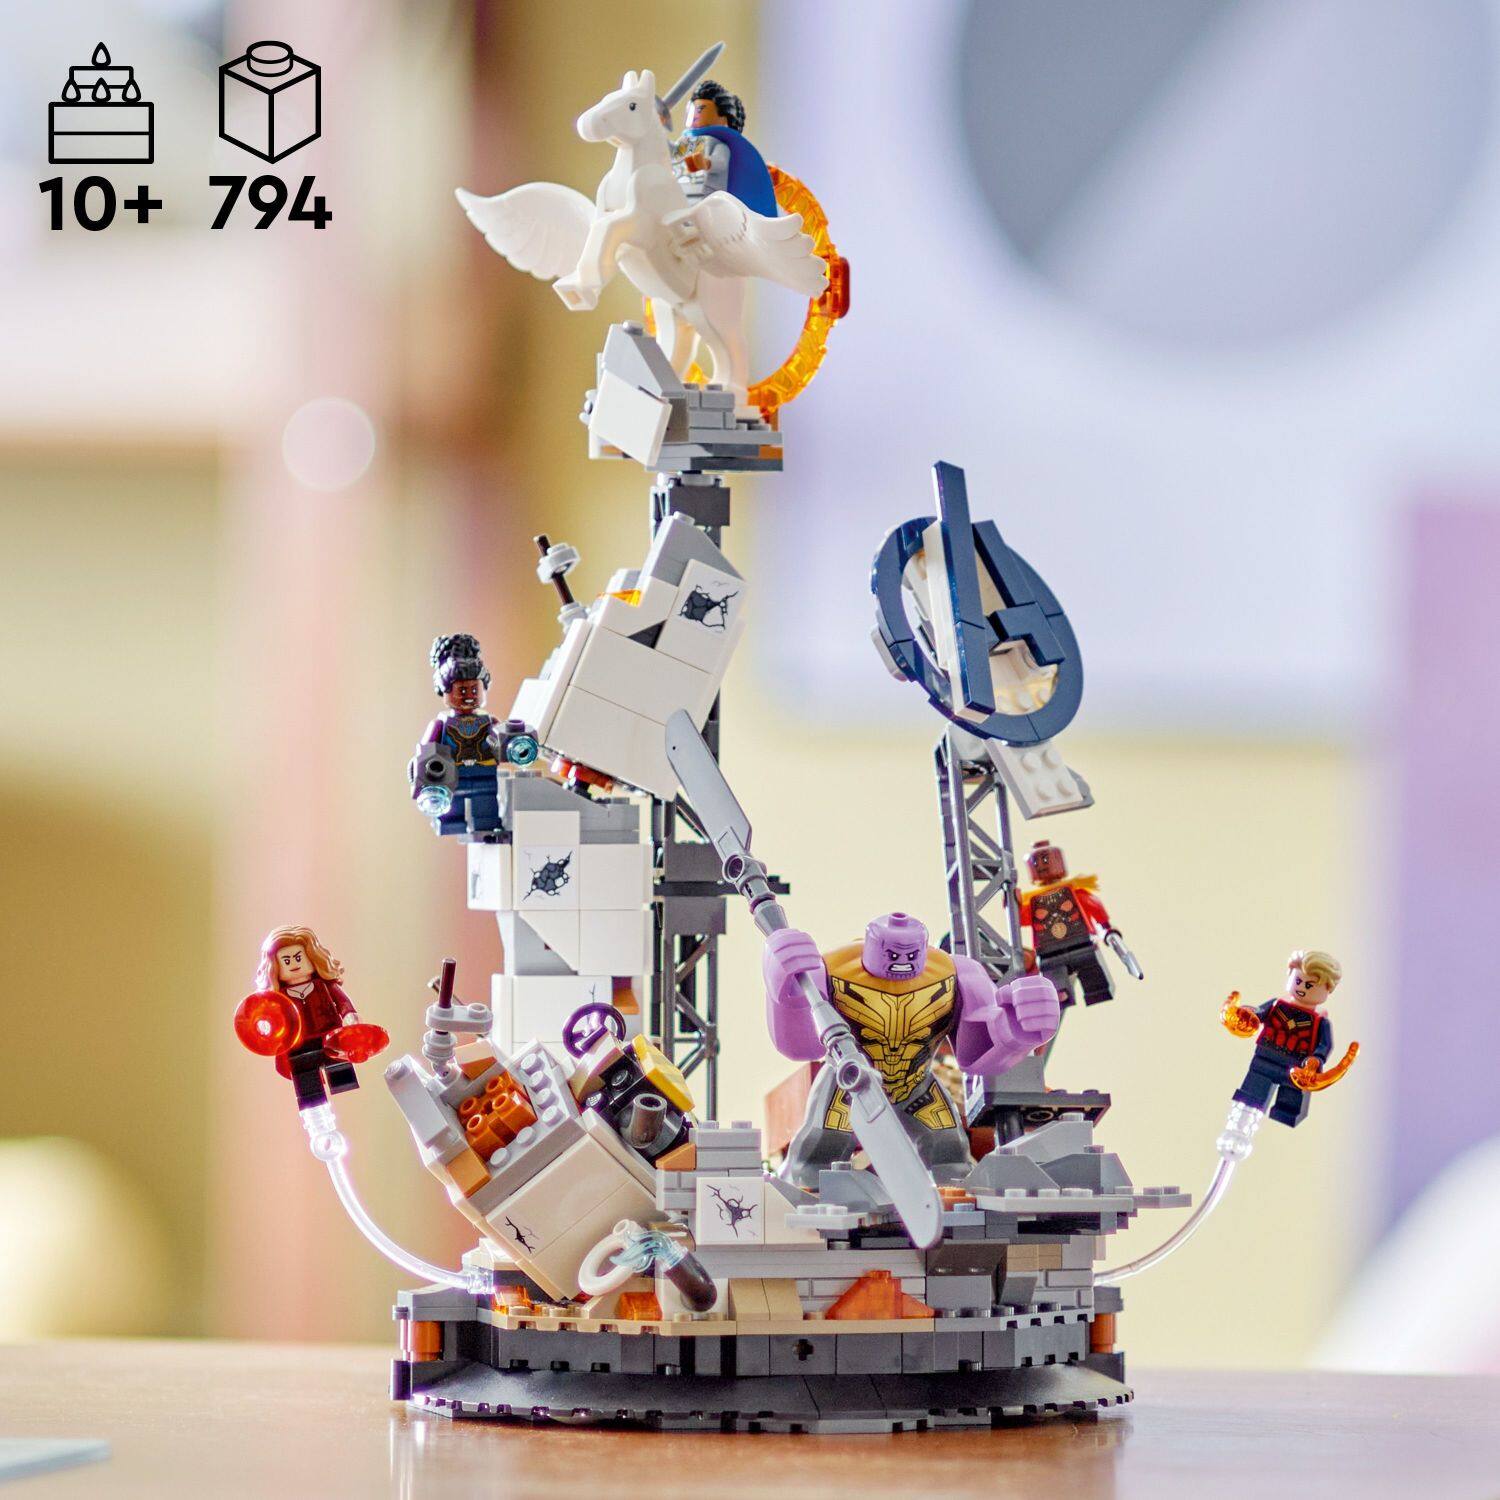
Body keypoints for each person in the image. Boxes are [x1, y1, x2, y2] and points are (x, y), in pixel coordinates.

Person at [763, 911, 1060, 1186]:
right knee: (819, 1154)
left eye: (909, 955)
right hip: (850, 1082)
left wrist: (1017, 1030)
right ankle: (798, 1189)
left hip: (915, 1083)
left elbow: (977, 1053)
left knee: (950, 1155)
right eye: (893, 955)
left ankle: (950, 1201)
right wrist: (783, 991)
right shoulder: (829, 970)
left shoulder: (956, 974)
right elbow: (800, 1045)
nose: (902, 962)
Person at [1223, 950, 1342, 1128]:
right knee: (1251, 1095)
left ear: (1328, 989)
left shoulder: (1320, 1022)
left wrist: (1317, 1059)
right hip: (1264, 1059)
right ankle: (1248, 1108)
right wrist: (1246, 1015)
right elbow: (1258, 1014)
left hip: (1296, 1069)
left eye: (1309, 985)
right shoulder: (1275, 1005)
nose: (1302, 988)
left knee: (1289, 1103)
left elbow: (1325, 1045)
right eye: (1298, 981)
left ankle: (1286, 1111)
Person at [412, 633, 503, 838]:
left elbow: (505, 740)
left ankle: (486, 828)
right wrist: (423, 777)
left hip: (485, 774)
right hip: (452, 778)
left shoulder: (489, 722)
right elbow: (424, 754)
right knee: (452, 812)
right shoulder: (440, 724)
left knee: (486, 808)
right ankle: (452, 823)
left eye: (474, 690)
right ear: (444, 691)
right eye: (462, 691)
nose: (469, 696)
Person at [674, 78, 779, 218]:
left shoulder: (719, 144)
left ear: (723, 119)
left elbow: (720, 162)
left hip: (709, 199)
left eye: (700, 109)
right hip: (682, 195)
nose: (694, 115)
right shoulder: (684, 142)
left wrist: (706, 163)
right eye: (692, 110)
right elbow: (672, 155)